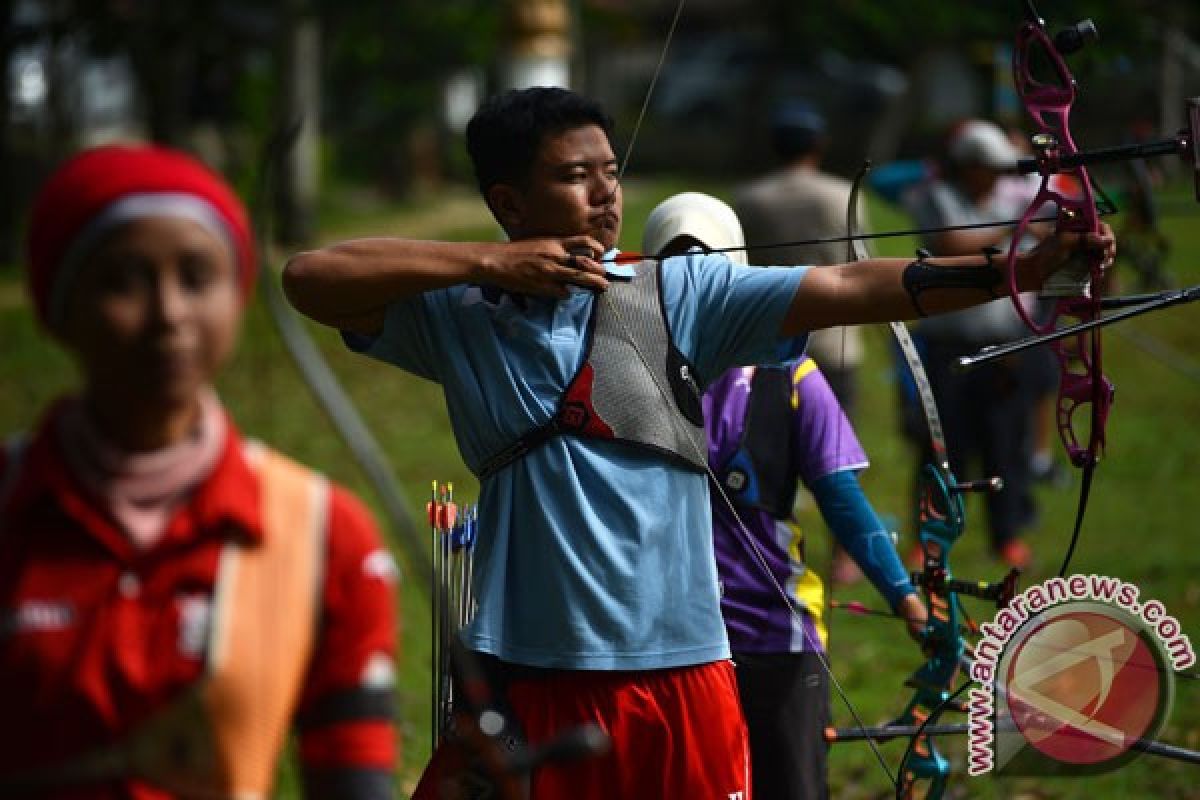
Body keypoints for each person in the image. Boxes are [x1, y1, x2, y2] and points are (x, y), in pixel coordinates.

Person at [281, 86, 1113, 799]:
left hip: (682, 670)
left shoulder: (678, 291)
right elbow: (308, 277)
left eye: (610, 174)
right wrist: (486, 267)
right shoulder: (457, 315)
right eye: (575, 178)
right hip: (527, 670)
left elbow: (850, 285)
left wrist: (1023, 271)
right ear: (509, 203)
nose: (605, 197)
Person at [0, 144, 399, 799]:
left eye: (196, 277)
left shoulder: (323, 534)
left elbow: (353, 780)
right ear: (56, 306)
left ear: (236, 296)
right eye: (123, 280)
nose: (169, 316)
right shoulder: (11, 504)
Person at [643, 192, 927, 800]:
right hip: (662, 641)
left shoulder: (791, 377)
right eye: (676, 269)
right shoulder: (622, 372)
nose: (693, 285)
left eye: (709, 269)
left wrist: (903, 594)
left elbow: (841, 499)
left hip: (772, 635)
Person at [902, 118, 1052, 570]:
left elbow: (1044, 245)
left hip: (1006, 347)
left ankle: (1006, 536)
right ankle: (930, 537)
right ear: (968, 167)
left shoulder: (1014, 199)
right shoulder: (937, 197)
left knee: (1003, 442)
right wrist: (1012, 229)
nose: (999, 176)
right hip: (949, 349)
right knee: (942, 448)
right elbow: (952, 245)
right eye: (990, 167)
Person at [734, 100, 869, 586]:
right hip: (833, 340)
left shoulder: (749, 199)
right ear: (819, 144)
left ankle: (756, 548)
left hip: (768, 340)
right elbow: (862, 262)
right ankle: (846, 557)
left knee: (764, 454)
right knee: (838, 457)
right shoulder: (839, 195)